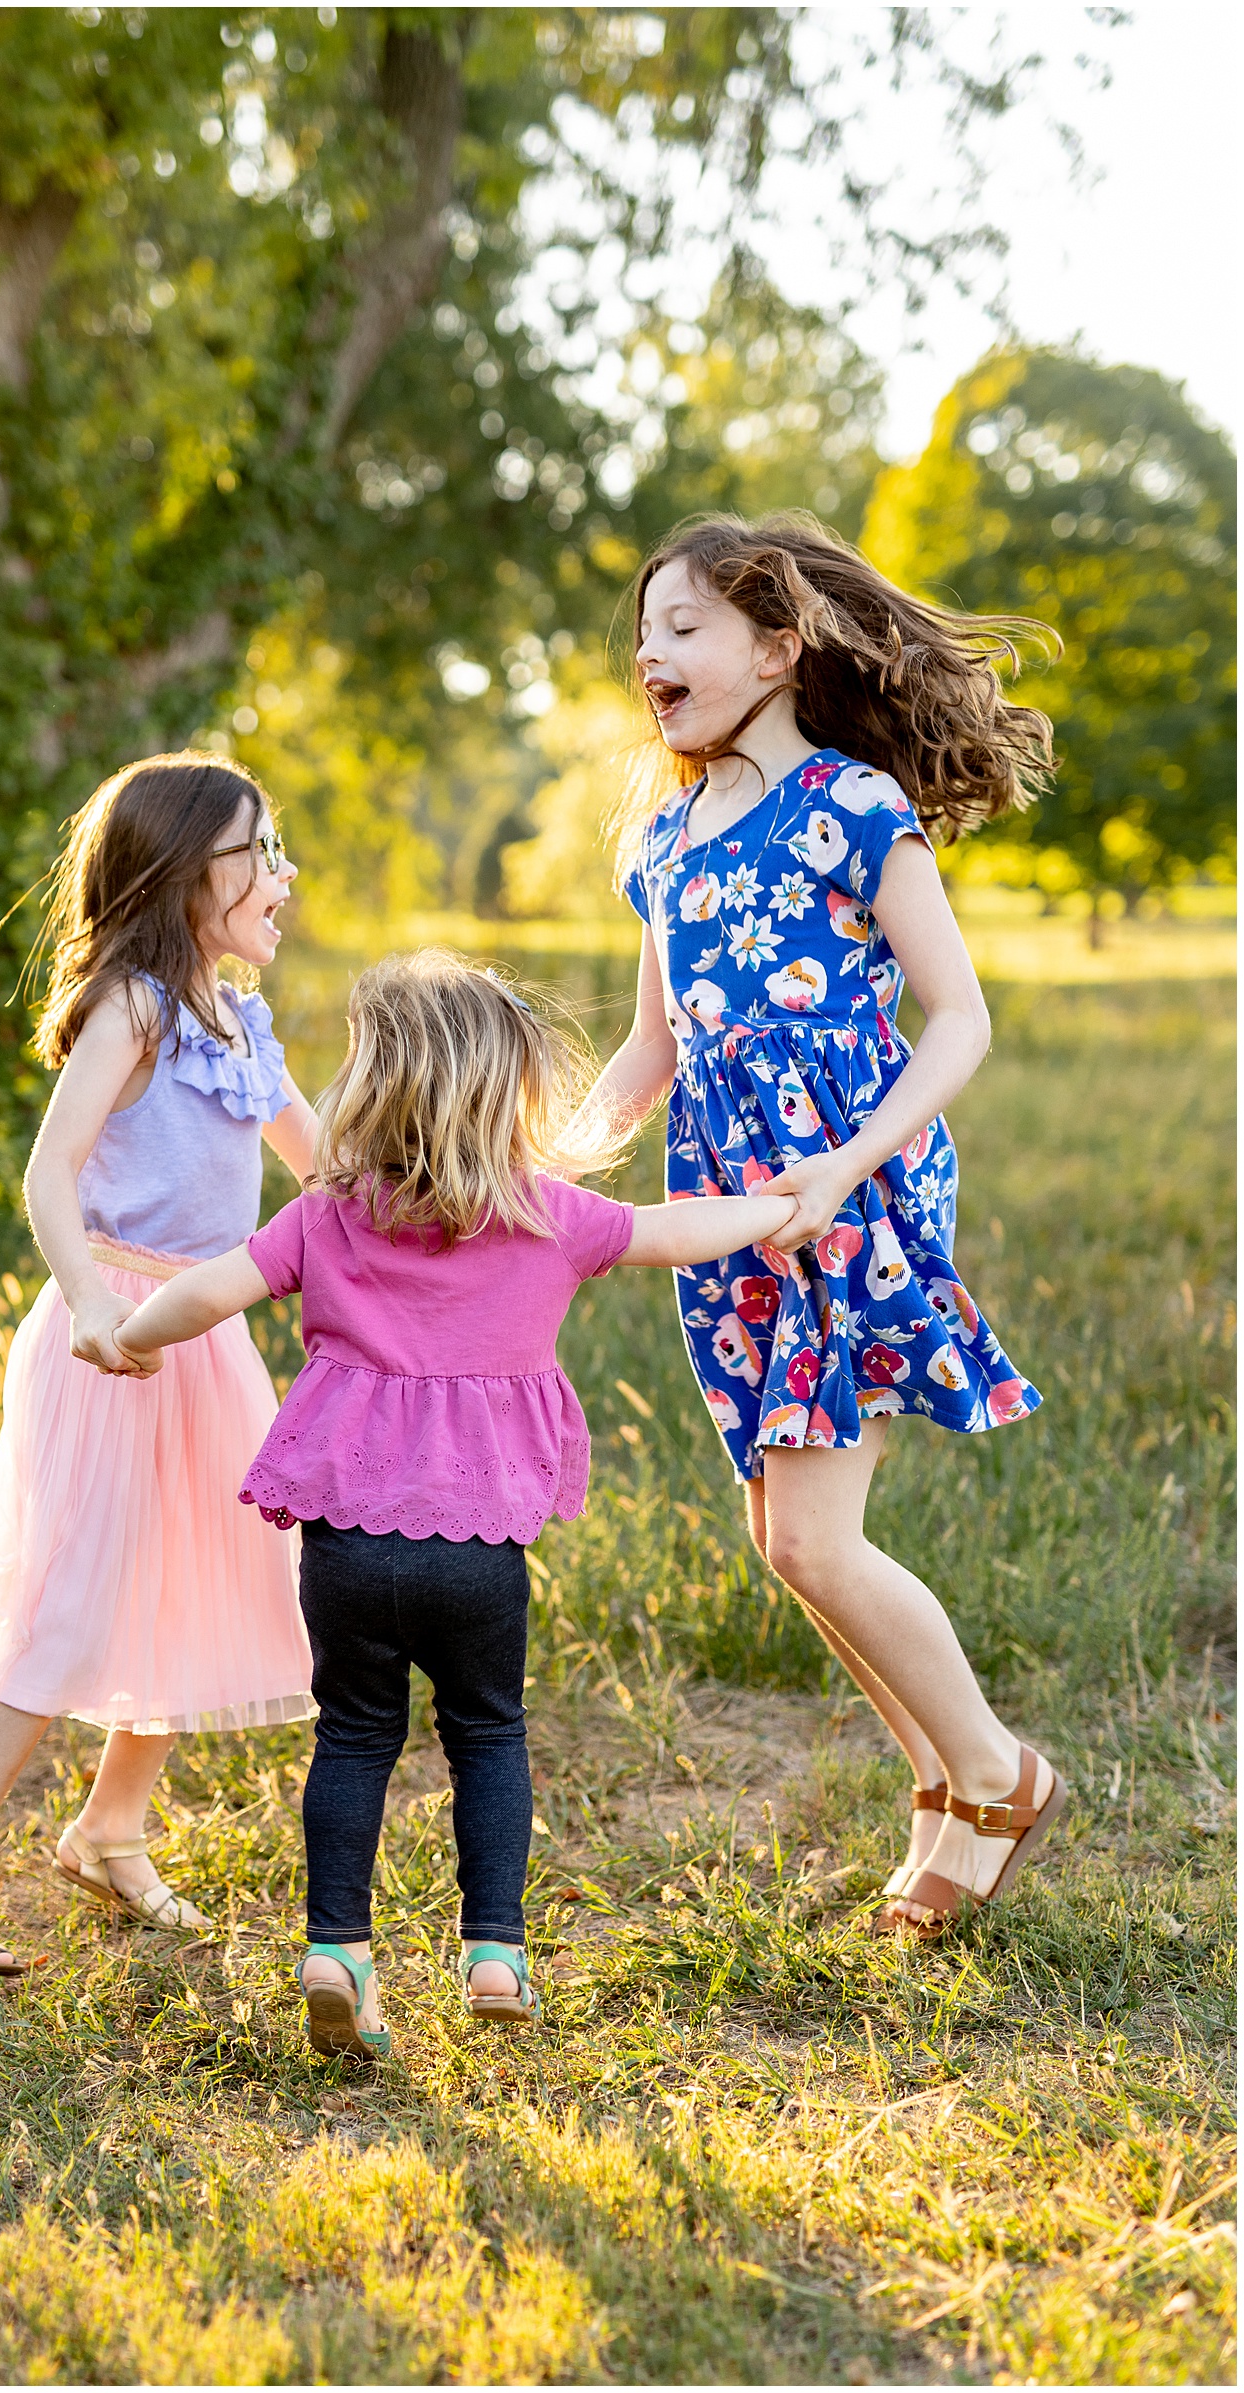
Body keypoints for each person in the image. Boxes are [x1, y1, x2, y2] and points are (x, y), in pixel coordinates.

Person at [111, 949, 799, 2055]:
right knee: (487, 1731)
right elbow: (673, 1229)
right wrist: (775, 1203)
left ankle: (336, 1949)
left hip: (344, 1549)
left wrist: (129, 1335)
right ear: (505, 1091)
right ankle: (494, 1954)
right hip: (476, 1553)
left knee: (353, 1735)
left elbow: (208, 1286)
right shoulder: (546, 1212)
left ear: (371, 1086)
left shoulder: (325, 1216)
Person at [577, 512, 1068, 1938]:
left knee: (814, 1541)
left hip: (846, 1192)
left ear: (779, 651)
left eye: (684, 627)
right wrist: (530, 1157)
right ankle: (940, 1793)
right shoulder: (662, 840)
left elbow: (960, 1019)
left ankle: (1000, 1770)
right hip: (728, 1200)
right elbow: (646, 1055)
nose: (651, 655)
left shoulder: (855, 807)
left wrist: (848, 1168)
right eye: (646, 632)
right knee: (783, 1538)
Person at [0, 752, 318, 1975]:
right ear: (191, 873)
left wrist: (445, 1180)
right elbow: (49, 1169)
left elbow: (322, 1167)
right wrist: (83, 1298)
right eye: (260, 849)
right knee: (70, 1594)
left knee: (207, 1572)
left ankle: (108, 1828)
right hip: (114, 1330)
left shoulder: (244, 1023)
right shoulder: (136, 1004)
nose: (283, 873)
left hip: (205, 1332)